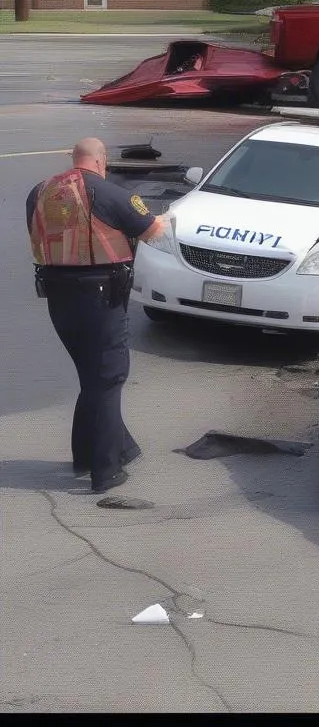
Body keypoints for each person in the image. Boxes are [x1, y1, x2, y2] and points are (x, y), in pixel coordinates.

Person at [27, 138, 169, 493]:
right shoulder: (108, 192)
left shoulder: (39, 192)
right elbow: (153, 233)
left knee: (92, 375)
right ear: (101, 162)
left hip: (57, 296)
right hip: (101, 295)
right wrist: (166, 218)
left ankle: (93, 454)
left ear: (72, 159)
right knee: (108, 377)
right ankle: (105, 471)